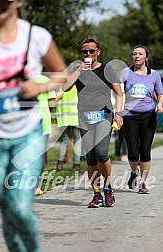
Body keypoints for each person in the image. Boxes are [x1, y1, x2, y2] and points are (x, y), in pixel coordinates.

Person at [0, 1, 66, 251]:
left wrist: (39, 87)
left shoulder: (36, 36)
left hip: (28, 134)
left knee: (20, 207)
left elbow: (61, 73)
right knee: (6, 205)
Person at [63, 36, 123, 207]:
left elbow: (119, 93)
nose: (88, 54)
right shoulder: (78, 69)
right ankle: (96, 194)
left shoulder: (107, 70)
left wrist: (118, 113)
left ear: (98, 52)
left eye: (91, 51)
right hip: (84, 117)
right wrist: (80, 71)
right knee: (90, 158)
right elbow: (65, 87)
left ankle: (108, 186)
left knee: (102, 152)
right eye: (84, 51)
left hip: (104, 115)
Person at [120, 45, 163, 194]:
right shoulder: (126, 73)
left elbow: (159, 93)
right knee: (133, 153)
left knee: (145, 151)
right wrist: (117, 112)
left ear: (146, 57)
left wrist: (160, 105)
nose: (136, 56)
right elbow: (118, 92)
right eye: (134, 54)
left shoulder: (154, 75)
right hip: (129, 116)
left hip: (148, 116)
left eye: (140, 54)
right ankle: (134, 172)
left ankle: (143, 183)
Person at [53, 85, 81, 172]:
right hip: (76, 115)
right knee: (78, 141)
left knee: (64, 141)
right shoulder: (78, 85)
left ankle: (59, 164)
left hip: (63, 116)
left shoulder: (60, 86)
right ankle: (76, 165)